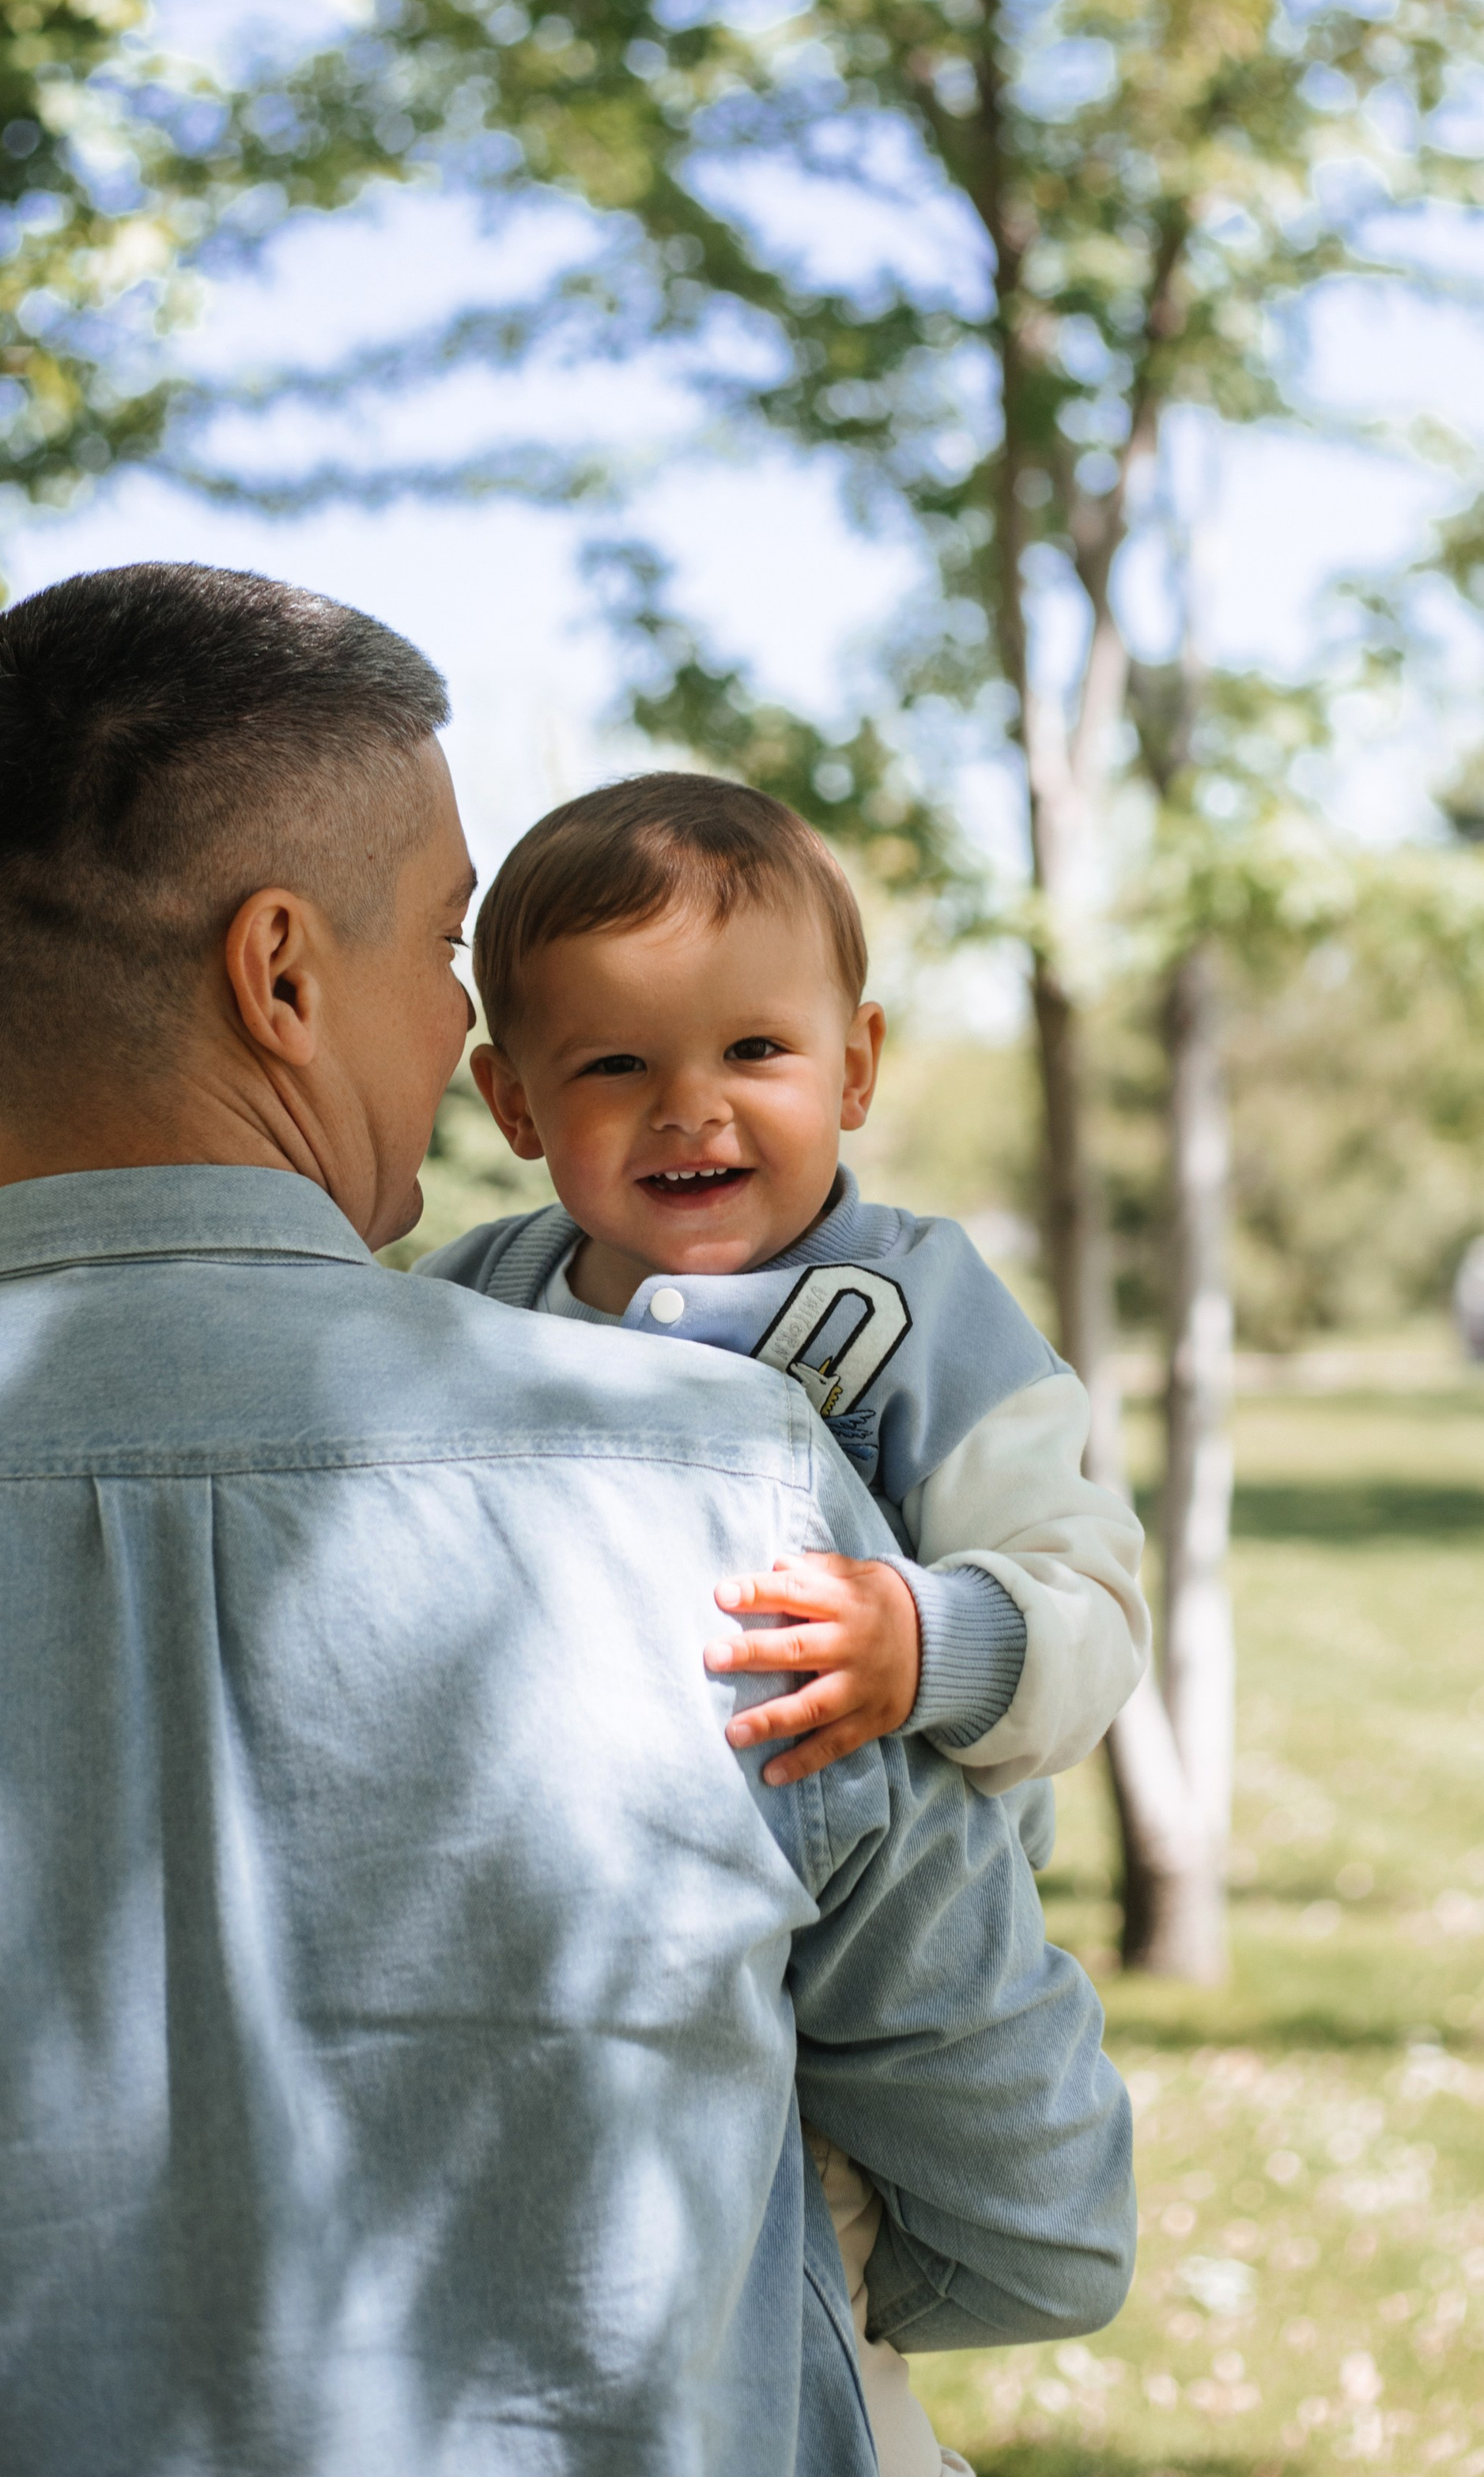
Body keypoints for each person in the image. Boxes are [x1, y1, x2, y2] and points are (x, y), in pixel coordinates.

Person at [0, 564, 1134, 2477]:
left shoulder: (865, 1346)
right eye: (441, 943)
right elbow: (1040, 2220)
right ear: (281, 975)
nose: (451, 1024)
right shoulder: (713, 1490)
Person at [419, 776, 1152, 2477]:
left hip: (870, 1925)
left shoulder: (917, 1314)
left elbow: (1086, 1587)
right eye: (614, 1066)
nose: (692, 1113)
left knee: (799, 2305)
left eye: (754, 1052)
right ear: (512, 1099)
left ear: (857, 1067)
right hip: (579, 1915)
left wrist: (929, 1638)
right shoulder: (474, 1307)